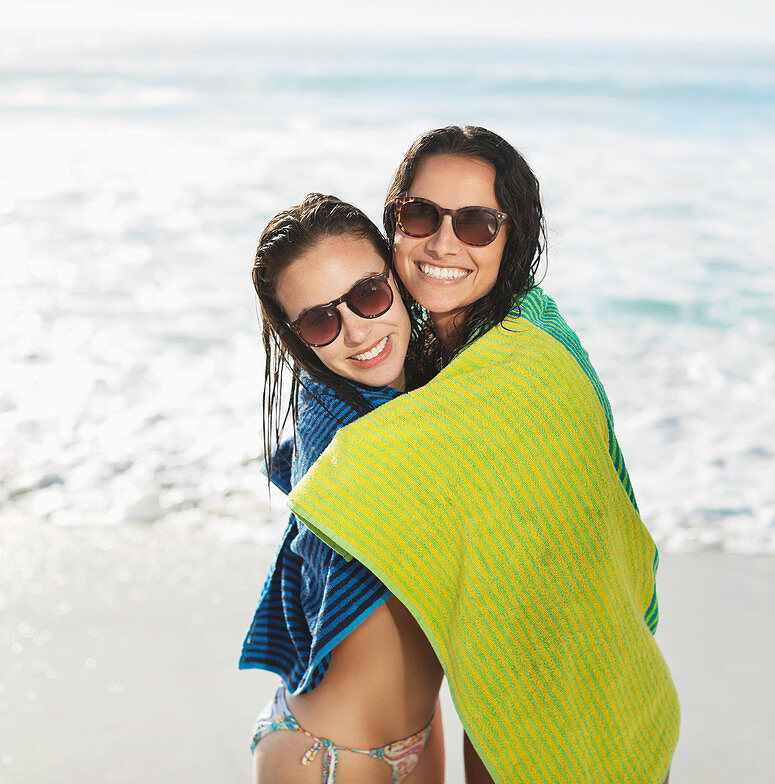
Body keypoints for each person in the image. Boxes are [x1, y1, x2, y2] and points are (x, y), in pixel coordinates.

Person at [288, 127, 680, 784]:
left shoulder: (532, 359)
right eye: (420, 217)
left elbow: (349, 471)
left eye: (476, 223)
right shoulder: (390, 352)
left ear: (513, 237)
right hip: (496, 713)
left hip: (598, 700)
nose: (443, 243)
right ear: (394, 226)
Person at [239, 194, 445, 784]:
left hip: (418, 732)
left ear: (399, 277)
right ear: (299, 341)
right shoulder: (339, 425)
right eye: (321, 321)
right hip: (325, 757)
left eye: (368, 294)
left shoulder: (432, 397)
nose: (357, 331)